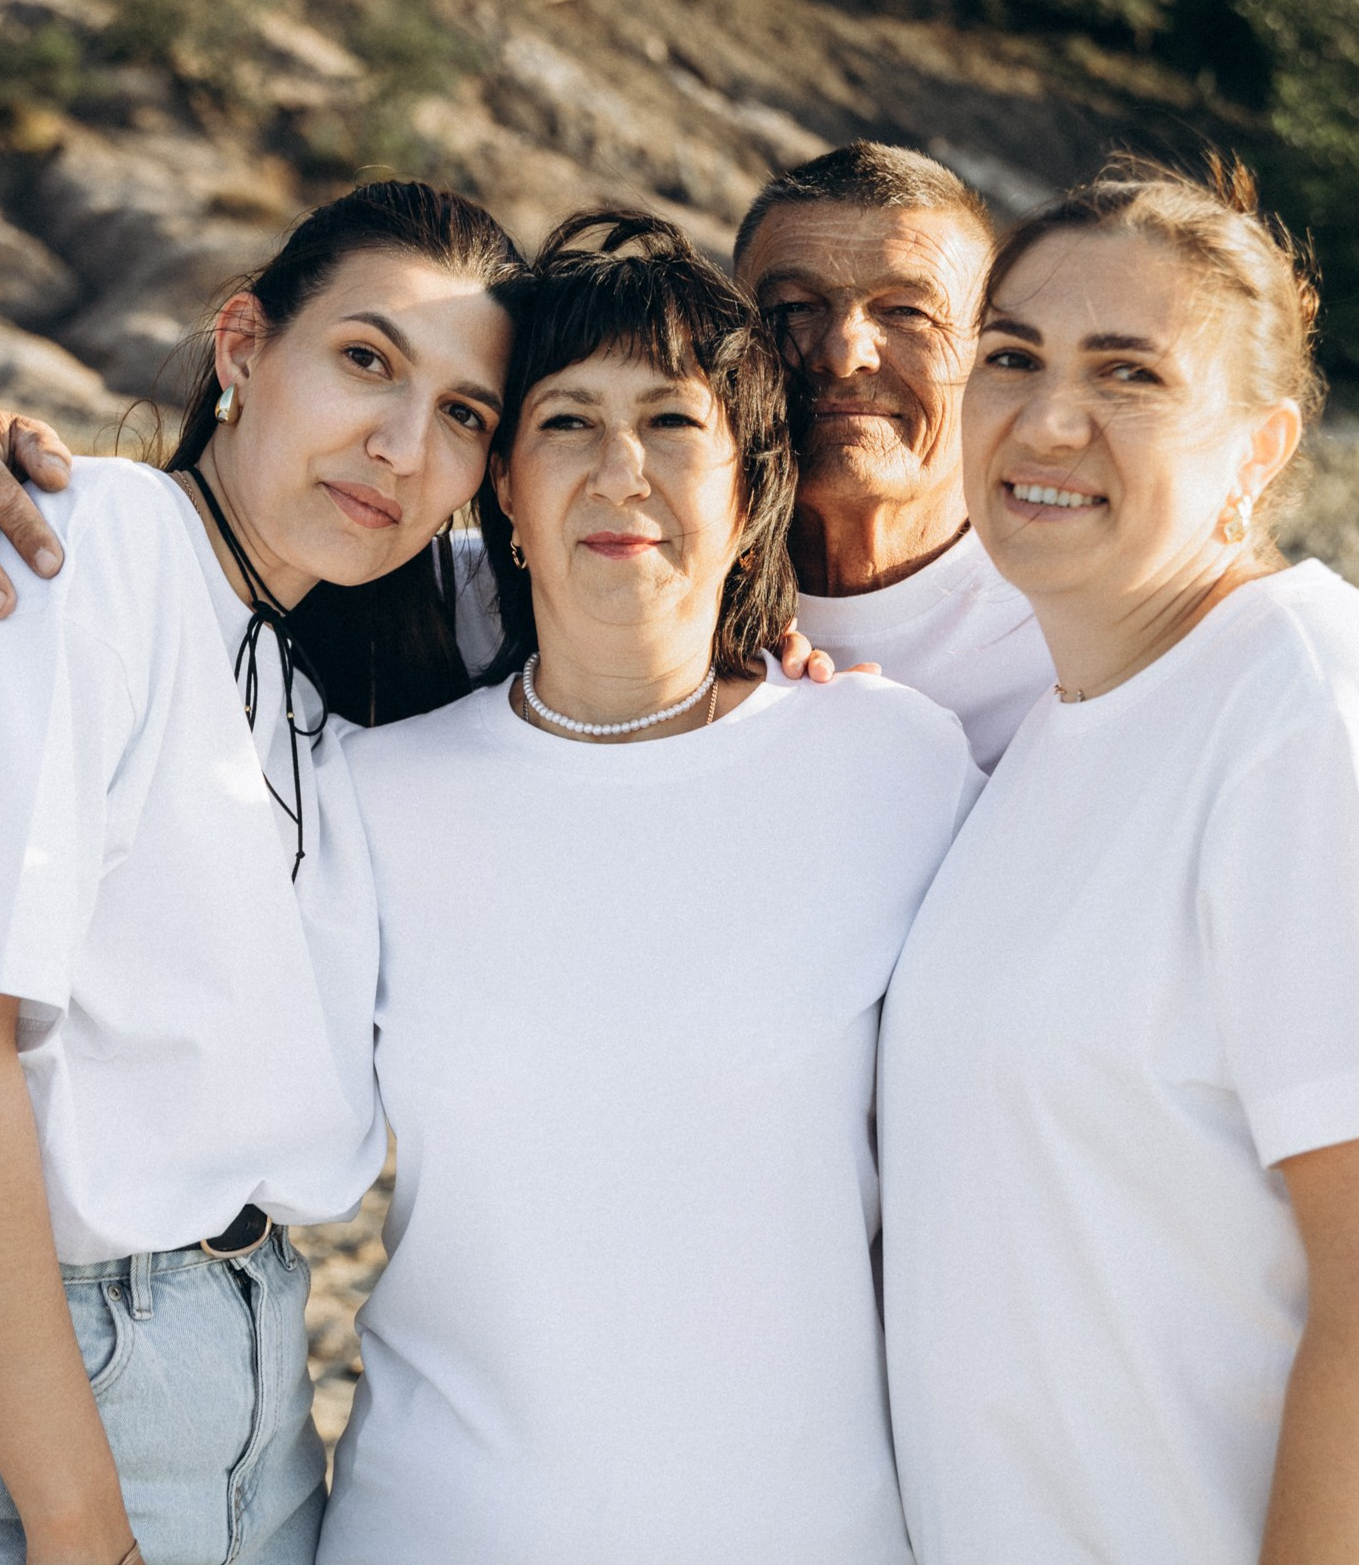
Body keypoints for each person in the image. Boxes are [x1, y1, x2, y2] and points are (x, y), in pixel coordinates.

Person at [0, 144, 1359, 1477]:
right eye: (791, 312)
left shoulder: (1075, 623)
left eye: (913, 317)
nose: (845, 352)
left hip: (1047, 1427)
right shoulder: (505, 628)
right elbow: (158, 878)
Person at [0, 181, 520, 1565]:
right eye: (366, 360)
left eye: (465, 414)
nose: (403, 446)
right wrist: (78, 1522)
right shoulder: (82, 544)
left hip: (246, 1384)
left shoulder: (338, 661)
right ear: (242, 348)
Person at [879, 159, 1359, 1563]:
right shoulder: (1060, 730)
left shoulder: (1314, 701)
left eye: (1128, 375)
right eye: (1013, 356)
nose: (1048, 418)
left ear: (1258, 450)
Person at [316, 212, 980, 1562]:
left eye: (672, 423)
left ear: (751, 487)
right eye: (568, 423)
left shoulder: (892, 766)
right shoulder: (375, 795)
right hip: (444, 1529)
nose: (621, 469)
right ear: (505, 490)